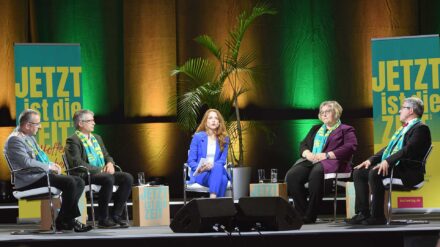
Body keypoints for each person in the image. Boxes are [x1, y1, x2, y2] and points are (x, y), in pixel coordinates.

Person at [4, 109, 92, 232]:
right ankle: (65, 221)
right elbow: (26, 163)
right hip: (28, 179)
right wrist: (49, 167)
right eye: (37, 124)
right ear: (28, 125)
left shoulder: (29, 137)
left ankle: (64, 220)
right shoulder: (15, 140)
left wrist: (51, 164)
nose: (39, 127)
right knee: (70, 182)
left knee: (79, 181)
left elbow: (39, 157)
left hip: (39, 175)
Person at [347, 97, 431, 225]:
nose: (399, 111)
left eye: (402, 108)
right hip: (397, 167)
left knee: (375, 173)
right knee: (359, 172)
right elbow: (389, 148)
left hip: (408, 172)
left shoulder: (421, 129)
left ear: (411, 110)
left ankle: (378, 216)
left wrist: (387, 161)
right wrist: (370, 160)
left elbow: (408, 150)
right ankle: (363, 213)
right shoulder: (403, 129)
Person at [284, 101, 358, 224]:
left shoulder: (346, 129)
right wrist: (308, 154)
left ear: (337, 113)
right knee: (293, 175)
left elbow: (350, 147)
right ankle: (302, 213)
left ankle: (310, 215)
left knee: (316, 172)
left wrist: (326, 155)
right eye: (322, 112)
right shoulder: (316, 129)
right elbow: (303, 144)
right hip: (312, 160)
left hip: (333, 162)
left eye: (327, 111)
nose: (324, 114)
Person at [64, 109, 133, 228]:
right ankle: (103, 218)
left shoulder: (97, 138)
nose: (94, 123)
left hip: (101, 173)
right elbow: (77, 163)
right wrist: (100, 170)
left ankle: (116, 215)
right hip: (83, 175)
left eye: (93, 120)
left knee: (127, 178)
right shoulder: (73, 140)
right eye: (90, 120)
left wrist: (110, 163)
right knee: (108, 178)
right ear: (80, 123)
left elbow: (106, 155)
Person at [187, 109, 230, 198]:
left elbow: (222, 160)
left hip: (217, 170)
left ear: (219, 122)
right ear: (206, 122)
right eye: (210, 118)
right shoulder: (198, 137)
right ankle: (217, 208)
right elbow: (191, 161)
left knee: (217, 167)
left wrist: (212, 166)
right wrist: (202, 167)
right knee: (223, 179)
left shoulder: (224, 139)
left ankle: (212, 199)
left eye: (216, 118)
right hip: (201, 173)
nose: (213, 120)